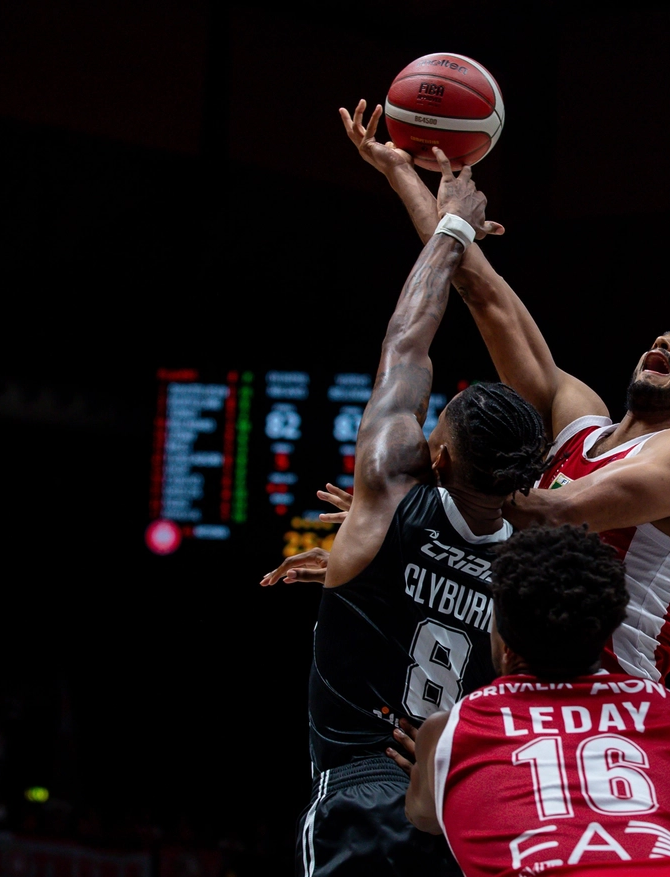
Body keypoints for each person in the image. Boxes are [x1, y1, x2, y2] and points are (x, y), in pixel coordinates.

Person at [333, 99, 670, 682]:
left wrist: (403, 508)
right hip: (516, 679)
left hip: (610, 691)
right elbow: (482, 290)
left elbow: (556, 513)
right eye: (663, 336)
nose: (666, 341)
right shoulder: (578, 418)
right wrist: (400, 171)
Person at [258, 150, 548, 877]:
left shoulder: (387, 493)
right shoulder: (535, 562)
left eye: (437, 431)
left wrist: (451, 226)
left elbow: (405, 345)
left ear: (440, 459)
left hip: (361, 793)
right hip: (463, 806)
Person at [397, 523, 670, 877]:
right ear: (606, 628)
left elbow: (423, 817)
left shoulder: (449, 731)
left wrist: (433, 767)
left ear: (503, 640)